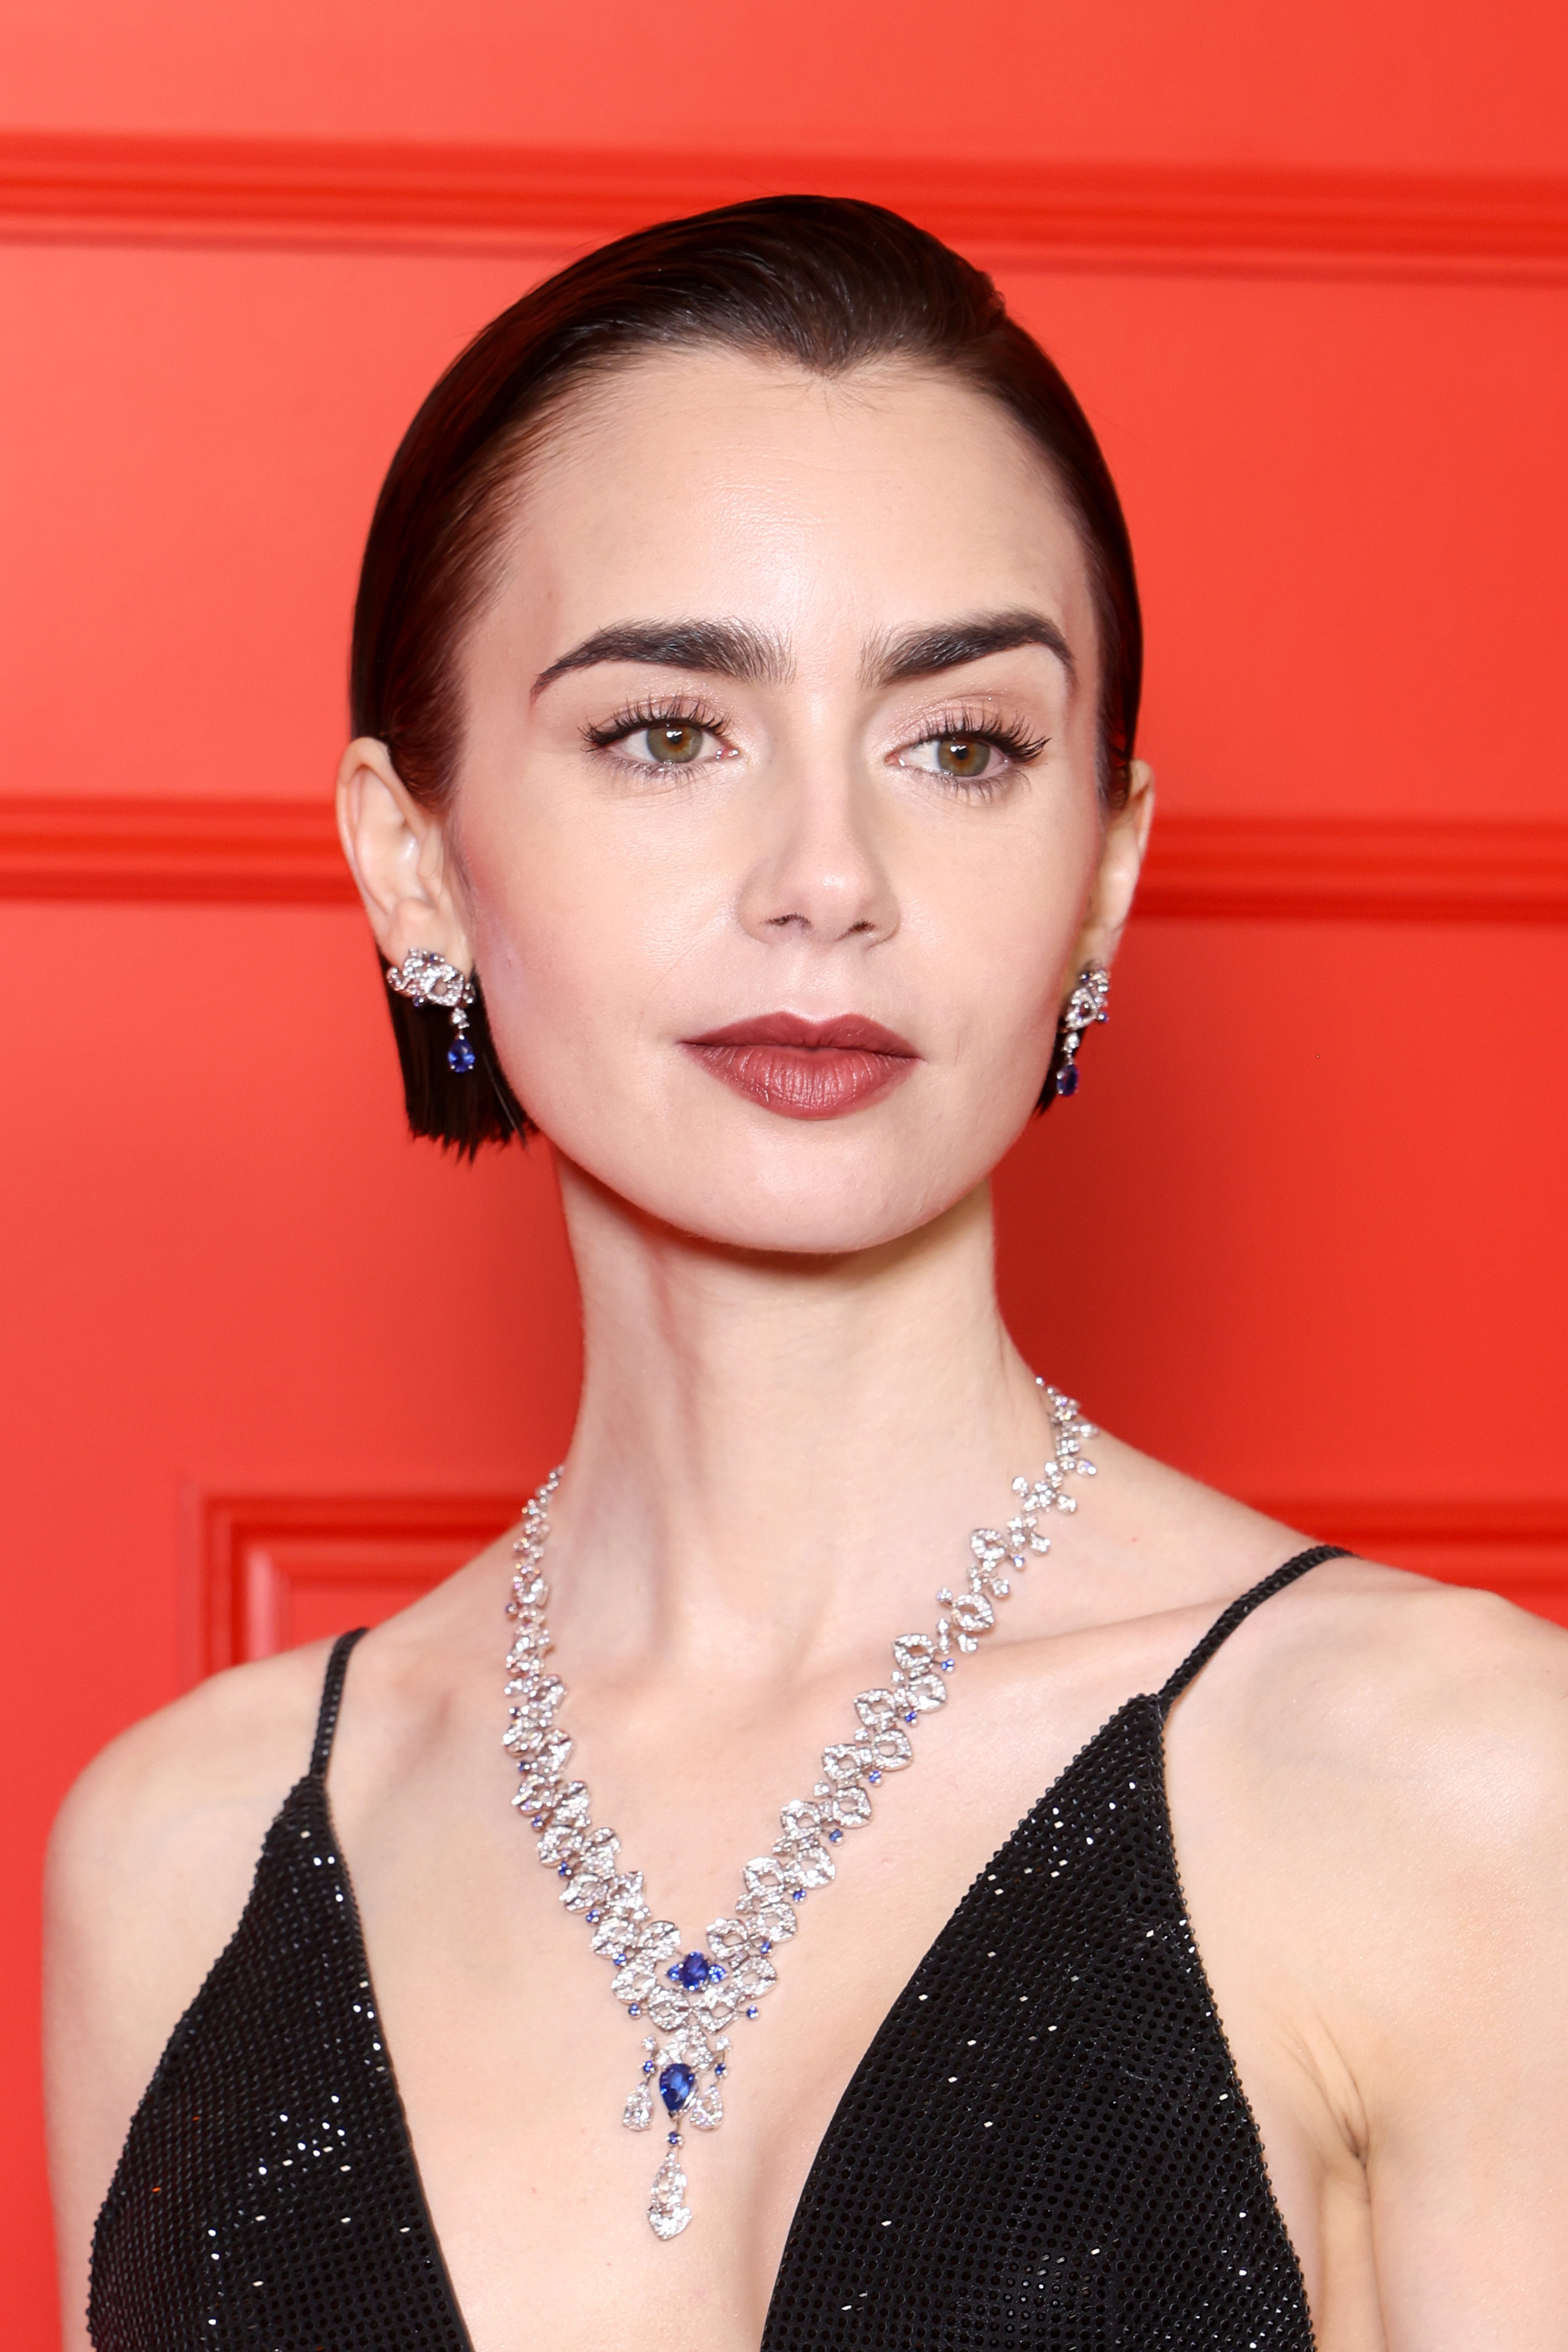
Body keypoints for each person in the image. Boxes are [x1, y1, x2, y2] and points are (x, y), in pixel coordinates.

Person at [45, 197, 1567, 2351]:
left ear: (1105, 871)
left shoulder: (1454, 1788)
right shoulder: (178, 1863)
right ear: (415, 861)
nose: (829, 882)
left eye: (964, 746)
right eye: (671, 728)